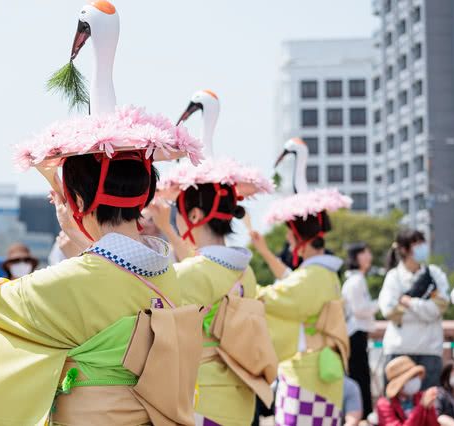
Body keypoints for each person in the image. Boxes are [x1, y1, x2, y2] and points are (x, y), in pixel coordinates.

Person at [0, 3, 205, 422]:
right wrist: (80, 237)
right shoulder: (168, 273)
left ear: (75, 198)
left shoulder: (77, 279)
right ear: (144, 191)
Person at [151, 155, 276, 425]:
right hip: (242, 396)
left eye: (180, 214)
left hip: (200, 399)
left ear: (195, 215)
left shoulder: (188, 274)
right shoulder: (247, 272)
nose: (180, 220)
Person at [258, 187, 352, 426]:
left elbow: (276, 298)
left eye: (290, 239)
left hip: (306, 373)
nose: (289, 246)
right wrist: (265, 252)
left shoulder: (312, 276)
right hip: (322, 368)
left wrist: (245, 288)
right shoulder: (325, 274)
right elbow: (290, 282)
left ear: (301, 241)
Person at [378, 229, 450, 390]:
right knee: (396, 404)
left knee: (429, 405)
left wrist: (409, 302)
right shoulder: (394, 277)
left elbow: (439, 308)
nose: (422, 247)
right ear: (404, 249)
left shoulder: (435, 274)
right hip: (399, 349)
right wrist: (425, 308)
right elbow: (389, 312)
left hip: (430, 349)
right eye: (417, 243)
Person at [343, 242, 378, 420]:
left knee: (362, 375)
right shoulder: (356, 280)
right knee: (359, 376)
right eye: (365, 252)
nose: (369, 256)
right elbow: (359, 309)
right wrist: (377, 305)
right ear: (357, 257)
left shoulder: (356, 279)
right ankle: (361, 415)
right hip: (354, 334)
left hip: (357, 334)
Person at [376, 356, 439, 425]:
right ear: (399, 385)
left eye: (416, 375)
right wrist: (421, 406)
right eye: (411, 378)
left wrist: (429, 408)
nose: (415, 380)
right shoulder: (384, 404)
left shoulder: (422, 397)